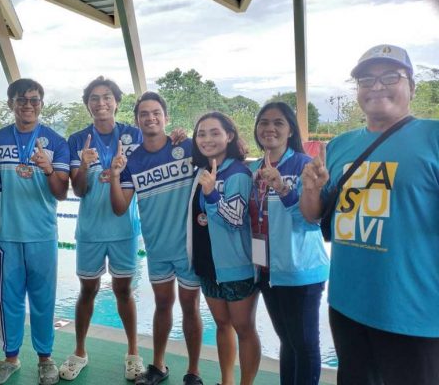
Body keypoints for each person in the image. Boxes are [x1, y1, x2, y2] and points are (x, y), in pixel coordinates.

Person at [300, 44, 439, 384]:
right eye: (366, 79)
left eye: (390, 76)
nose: (377, 86)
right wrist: (311, 189)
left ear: (412, 87)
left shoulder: (433, 136)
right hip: (348, 303)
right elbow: (313, 216)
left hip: (413, 310)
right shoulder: (340, 145)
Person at [110, 92, 203, 385]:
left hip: (188, 247)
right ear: (137, 120)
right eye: (144, 114)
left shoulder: (187, 146)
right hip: (158, 248)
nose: (150, 118)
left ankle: (194, 371)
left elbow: (220, 153)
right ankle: (159, 365)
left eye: (156, 113)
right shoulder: (132, 161)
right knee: (163, 304)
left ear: (166, 117)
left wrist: (190, 137)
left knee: (190, 307)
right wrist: (114, 175)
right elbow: (120, 206)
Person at [0, 78, 70, 385]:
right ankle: (10, 358)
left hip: (43, 234)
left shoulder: (56, 141)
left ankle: (45, 358)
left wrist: (48, 168)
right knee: (8, 299)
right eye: (22, 100)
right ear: (11, 104)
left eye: (34, 100)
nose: (28, 105)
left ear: (41, 105)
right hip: (7, 234)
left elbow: (62, 192)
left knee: (43, 299)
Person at [61, 76, 145, 381]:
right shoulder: (77, 139)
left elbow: (157, 148)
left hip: (123, 228)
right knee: (88, 290)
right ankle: (80, 351)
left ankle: (133, 353)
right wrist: (83, 166)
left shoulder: (134, 136)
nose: (101, 103)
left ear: (117, 102)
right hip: (90, 230)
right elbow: (79, 190)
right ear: (88, 105)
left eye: (107, 97)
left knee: (124, 290)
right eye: (94, 98)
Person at [248, 102, 329, 385]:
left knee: (304, 345)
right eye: (264, 122)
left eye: (278, 122)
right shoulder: (254, 169)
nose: (270, 128)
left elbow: (311, 221)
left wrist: (283, 188)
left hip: (300, 269)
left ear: (290, 129)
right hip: (268, 270)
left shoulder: (304, 165)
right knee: (287, 340)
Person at [188, 112, 260, 385]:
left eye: (215, 133)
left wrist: (213, 195)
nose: (207, 139)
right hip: (209, 265)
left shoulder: (238, 172)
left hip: (236, 266)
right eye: (201, 133)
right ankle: (226, 380)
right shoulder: (201, 172)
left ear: (229, 136)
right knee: (222, 325)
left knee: (244, 328)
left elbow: (236, 219)